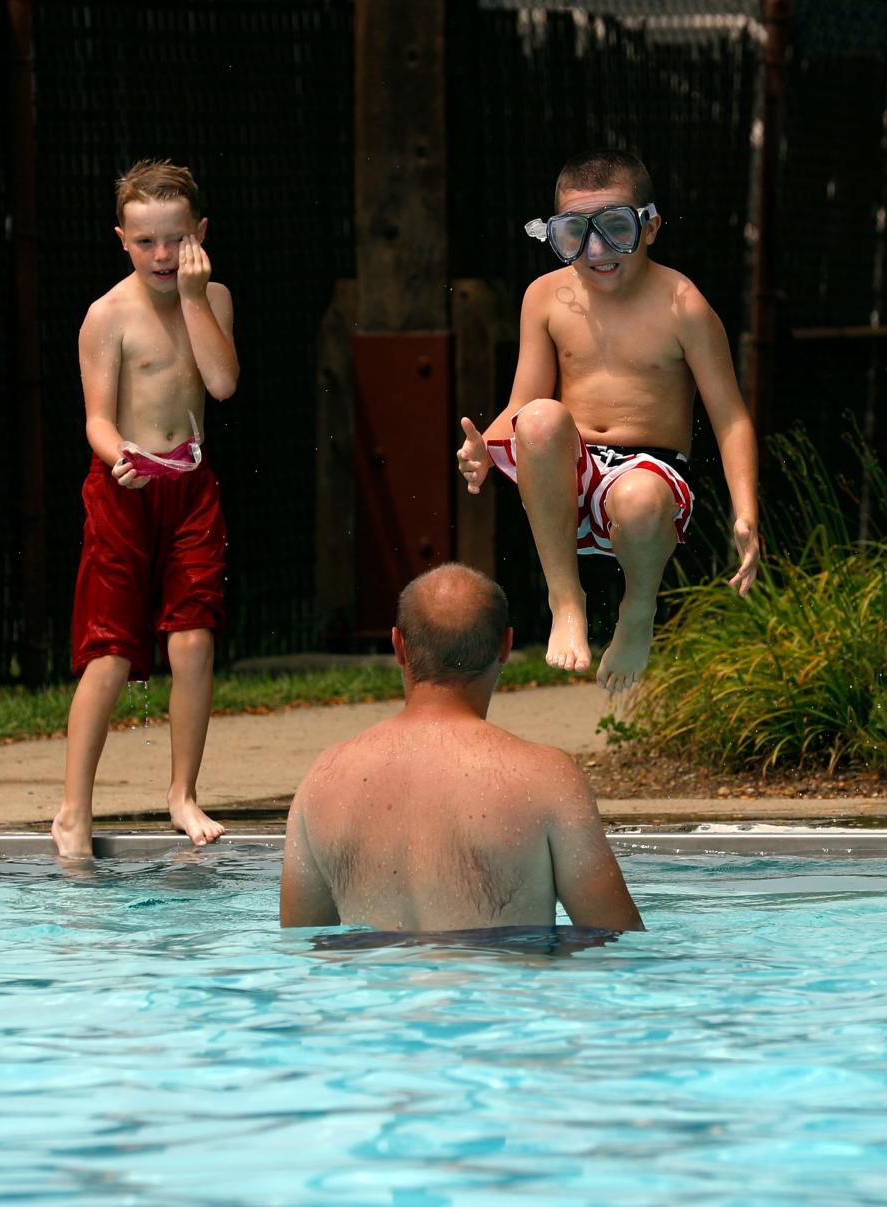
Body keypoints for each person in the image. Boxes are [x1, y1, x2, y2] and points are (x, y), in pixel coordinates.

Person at [457, 149, 759, 693]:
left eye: (615, 228)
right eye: (575, 234)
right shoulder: (545, 297)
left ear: (650, 227)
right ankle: (564, 598)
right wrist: (488, 445)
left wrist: (745, 511)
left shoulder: (682, 305)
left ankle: (637, 609)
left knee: (639, 498)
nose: (596, 251)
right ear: (554, 235)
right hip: (567, 477)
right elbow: (523, 403)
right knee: (542, 418)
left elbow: (730, 416)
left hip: (651, 479)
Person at [280, 564, 643, 933]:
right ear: (505, 645)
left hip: (373, 986)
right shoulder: (546, 777)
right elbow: (617, 940)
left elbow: (304, 944)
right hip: (502, 988)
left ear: (398, 645)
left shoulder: (322, 780)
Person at [52, 159, 239, 859]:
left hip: (191, 489)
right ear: (122, 241)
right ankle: (74, 809)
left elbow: (221, 384)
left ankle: (182, 793)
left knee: (193, 642)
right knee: (108, 651)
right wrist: (116, 454)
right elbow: (96, 418)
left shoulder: (212, 299)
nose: (163, 256)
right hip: (123, 489)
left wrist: (194, 299)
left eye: (176, 239)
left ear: (199, 235)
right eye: (146, 242)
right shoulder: (106, 317)